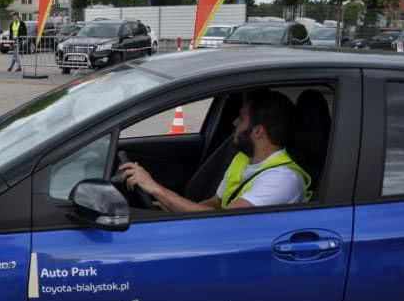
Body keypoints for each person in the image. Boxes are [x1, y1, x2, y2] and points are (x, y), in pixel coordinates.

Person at [120, 89, 311, 212]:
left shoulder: (281, 179)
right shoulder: (244, 160)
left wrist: (156, 189)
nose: (234, 122)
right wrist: (173, 209)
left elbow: (223, 219)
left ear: (258, 131)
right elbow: (215, 204)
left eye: (242, 119)